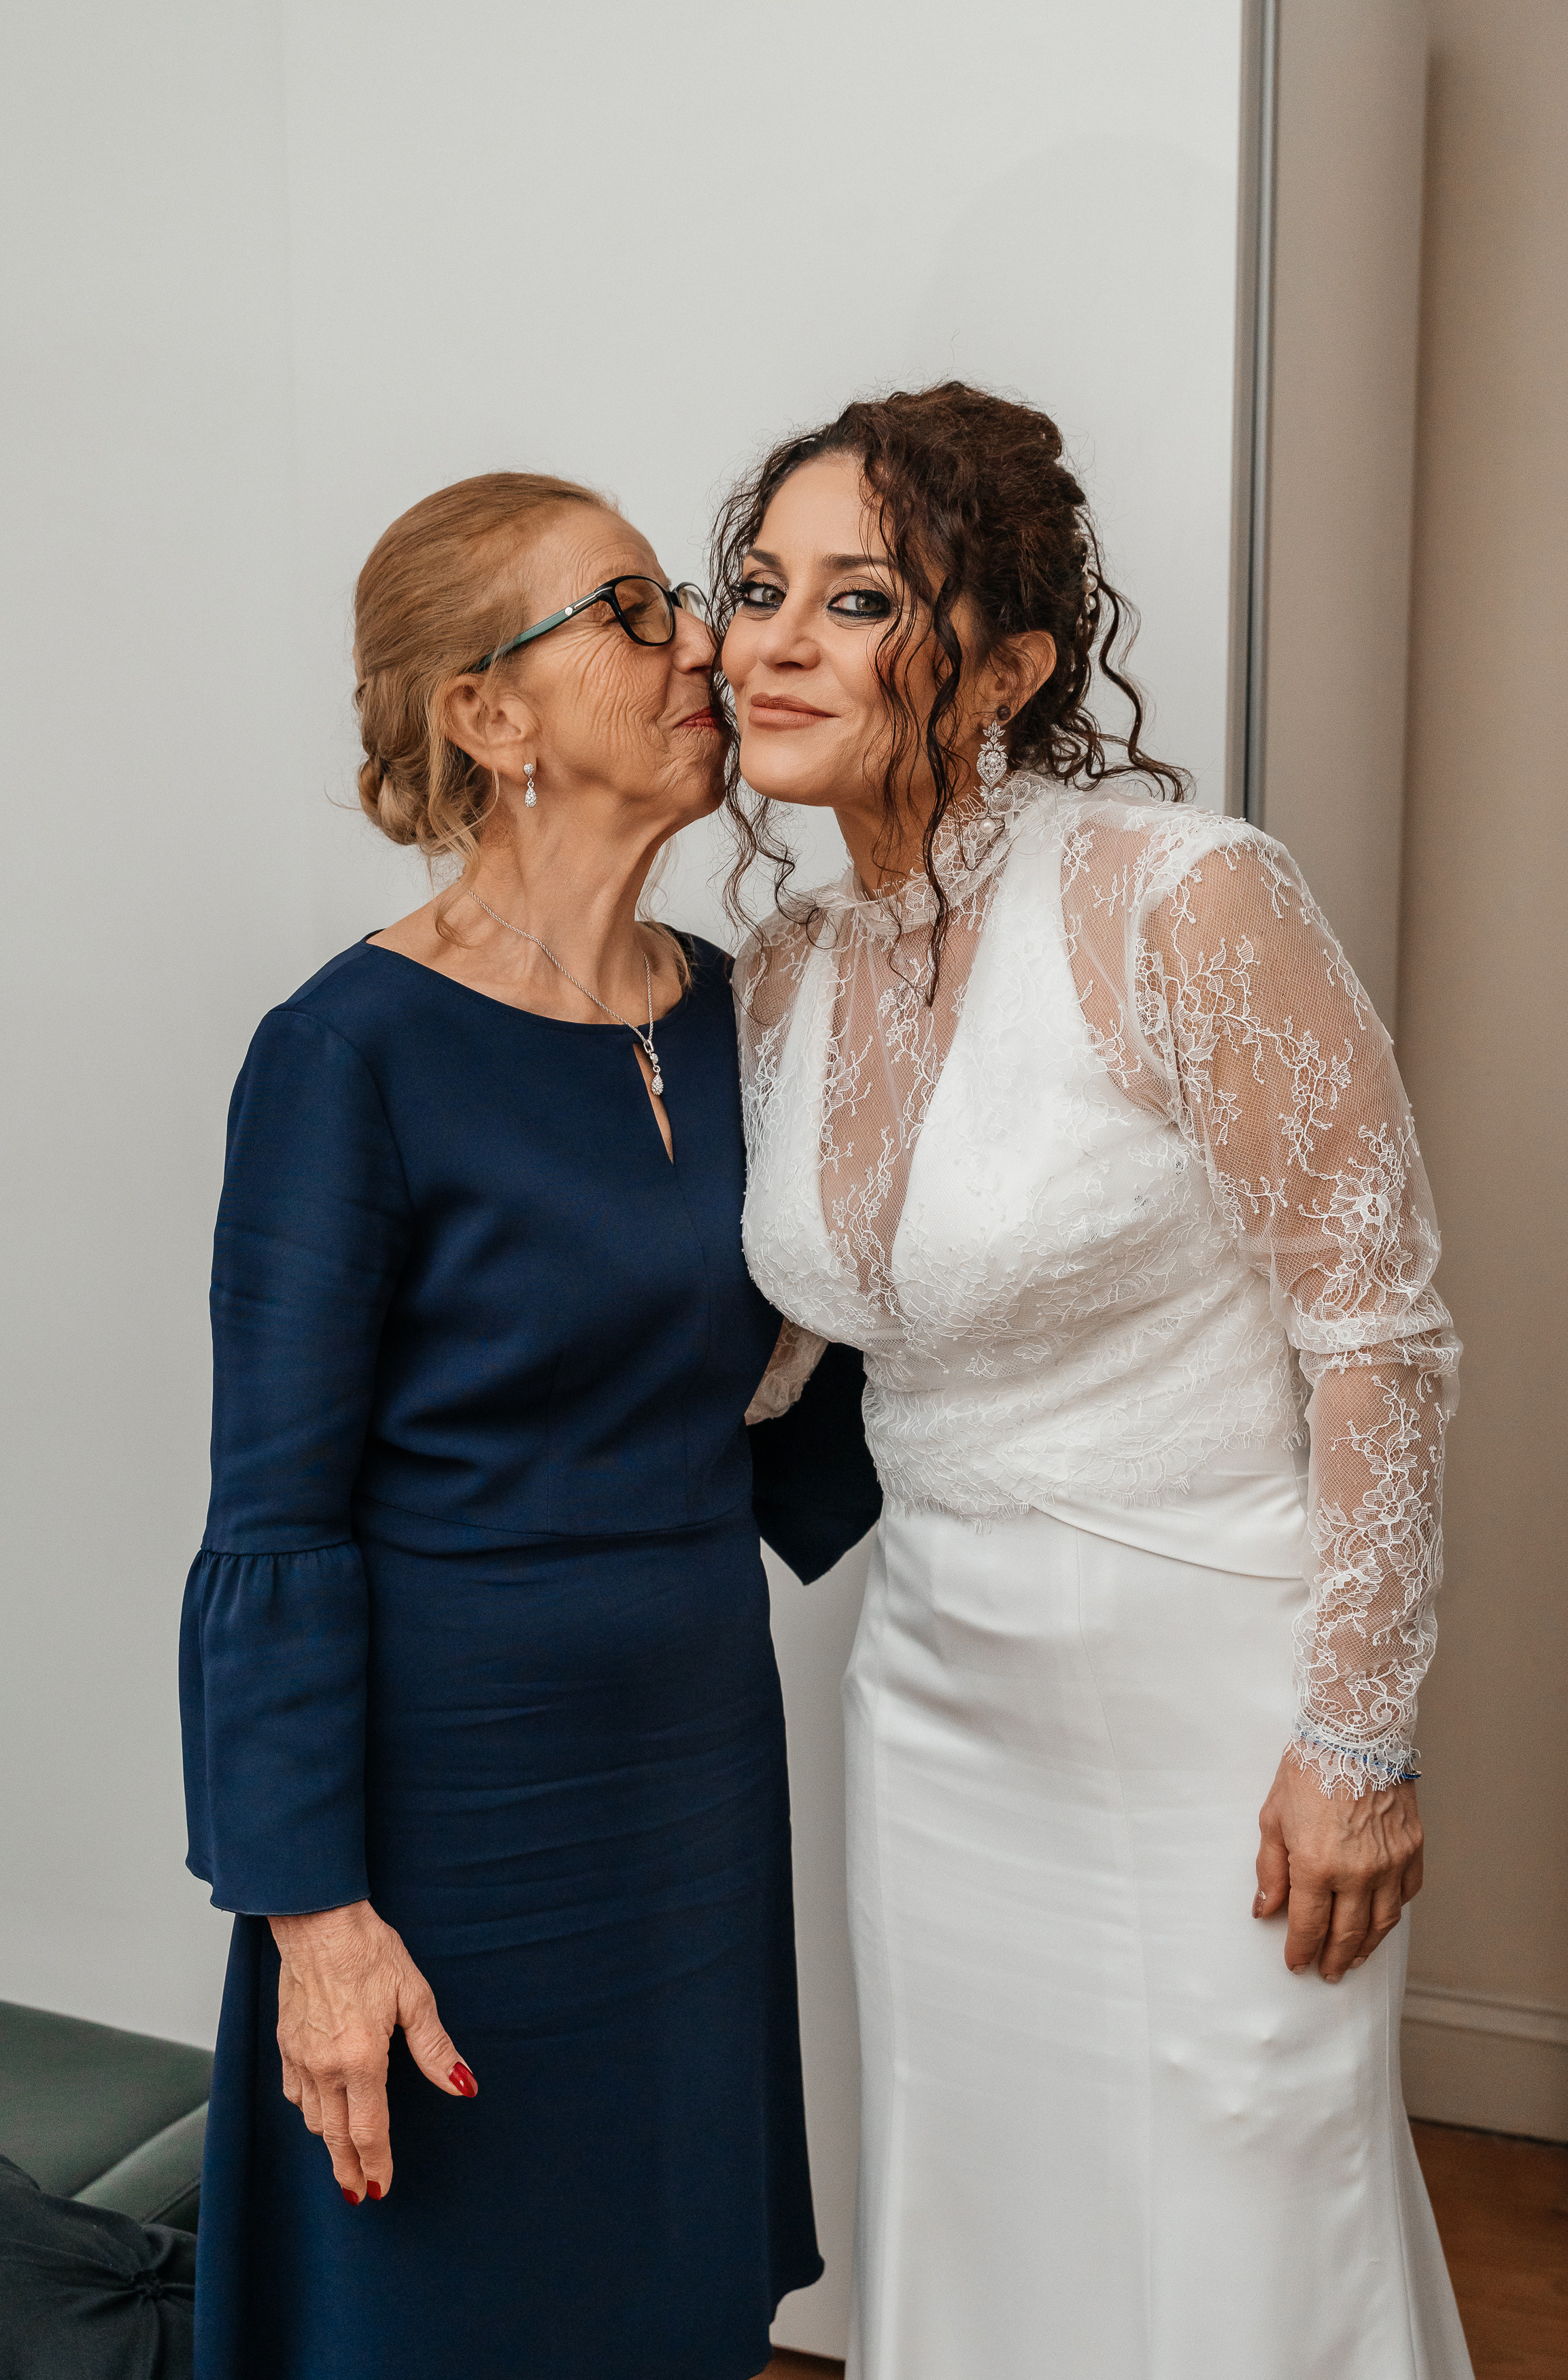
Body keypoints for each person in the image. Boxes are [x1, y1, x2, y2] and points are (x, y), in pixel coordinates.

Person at [715, 384, 1473, 2380]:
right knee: (973, 2192)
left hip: (1220, 1692)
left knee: (1248, 2203)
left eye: (856, 596)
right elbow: (792, 1335)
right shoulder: (785, 971)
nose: (774, 639)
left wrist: (1360, 1735)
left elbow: (1378, 1326)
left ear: (1013, 664)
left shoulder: (1182, 898)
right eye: (756, 585)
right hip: (940, 1692)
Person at [179, 471, 874, 2380]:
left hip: (691, 1778)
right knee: (438, 2311)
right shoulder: (349, 1053)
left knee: (667, 2292)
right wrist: (311, 1917)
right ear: (487, 718)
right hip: (455, 1810)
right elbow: (273, 1522)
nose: (704, 648)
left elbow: (846, 1363)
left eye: (685, 606)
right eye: (635, 612)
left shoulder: (745, 1011)